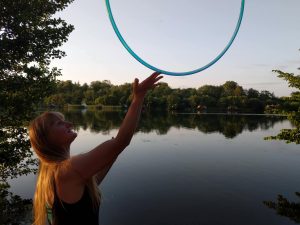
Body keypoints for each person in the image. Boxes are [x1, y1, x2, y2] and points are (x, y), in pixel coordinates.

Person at [29, 72, 163, 225]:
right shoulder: (67, 170)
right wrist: (138, 97)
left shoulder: (53, 172)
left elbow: (95, 179)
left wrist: (113, 150)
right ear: (46, 138)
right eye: (59, 123)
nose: (69, 124)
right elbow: (121, 142)